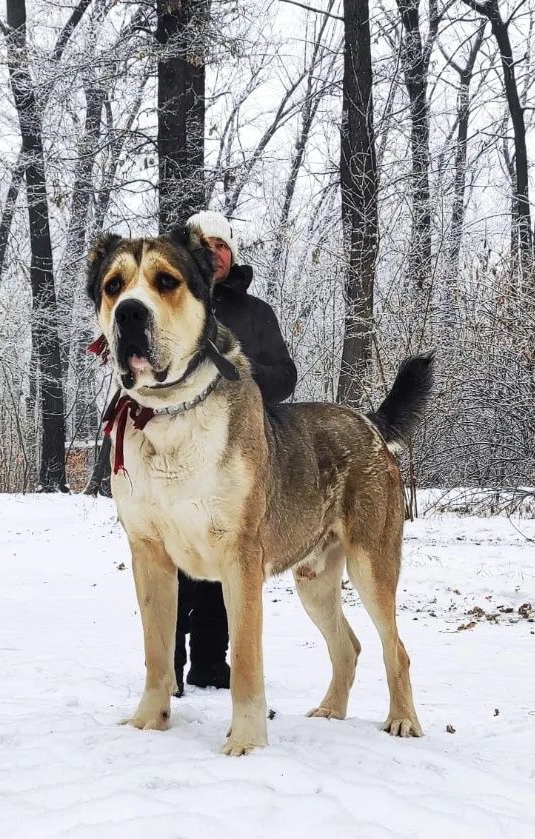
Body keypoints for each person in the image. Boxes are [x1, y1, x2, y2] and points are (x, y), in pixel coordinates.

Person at [175, 210, 297, 695]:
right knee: (178, 555)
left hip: (239, 449)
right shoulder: (175, 300)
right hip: (181, 449)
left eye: (222, 245)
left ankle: (209, 662)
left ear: (233, 254)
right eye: (203, 245)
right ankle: (170, 668)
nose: (214, 253)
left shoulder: (256, 313)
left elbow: (286, 376)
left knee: (227, 555)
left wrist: (241, 373)